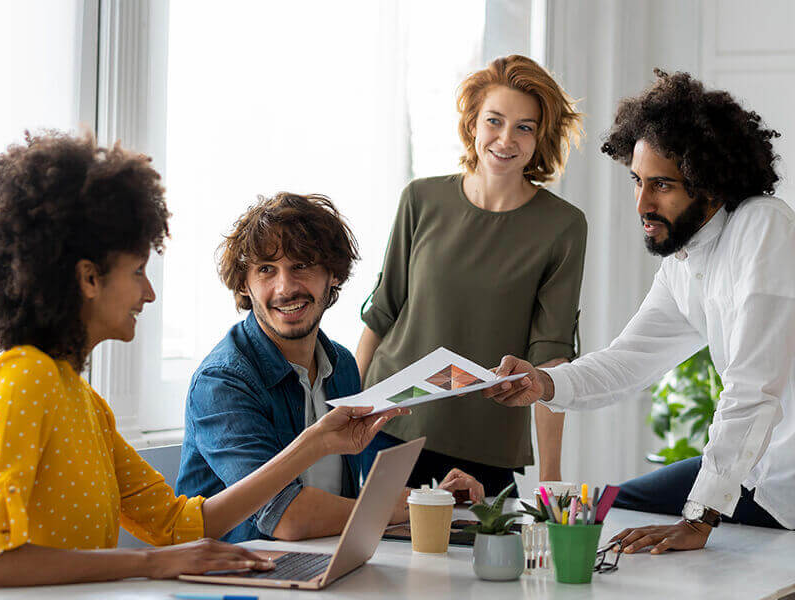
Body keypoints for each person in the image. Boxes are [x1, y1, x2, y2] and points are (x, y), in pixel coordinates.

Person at [0, 132, 405, 587]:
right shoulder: (27, 377)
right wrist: (152, 563)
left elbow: (177, 525)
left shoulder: (84, 402)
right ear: (89, 278)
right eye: (137, 272)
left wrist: (317, 443)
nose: (149, 293)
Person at [485, 70, 793, 553]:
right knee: (609, 509)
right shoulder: (684, 258)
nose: (642, 203)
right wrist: (544, 384)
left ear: (710, 185)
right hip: (754, 466)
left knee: (634, 523)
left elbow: (754, 389)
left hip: (787, 477)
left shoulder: (763, 227)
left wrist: (698, 518)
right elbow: (630, 359)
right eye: (637, 181)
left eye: (662, 185)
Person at [176, 193, 484, 542]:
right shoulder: (223, 381)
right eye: (266, 270)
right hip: (236, 580)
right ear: (245, 284)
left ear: (333, 275)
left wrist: (436, 498)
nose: (285, 288)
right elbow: (287, 517)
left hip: (326, 567)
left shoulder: (342, 365)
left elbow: (342, 506)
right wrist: (420, 503)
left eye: (301, 266)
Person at [356, 55, 586, 493]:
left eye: (525, 127)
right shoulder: (421, 199)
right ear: (473, 124)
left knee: (489, 561)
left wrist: (553, 480)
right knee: (384, 559)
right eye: (494, 120)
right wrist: (343, 423)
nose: (505, 138)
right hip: (390, 427)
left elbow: (550, 358)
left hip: (488, 444)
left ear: (541, 137)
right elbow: (381, 315)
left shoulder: (563, 226)